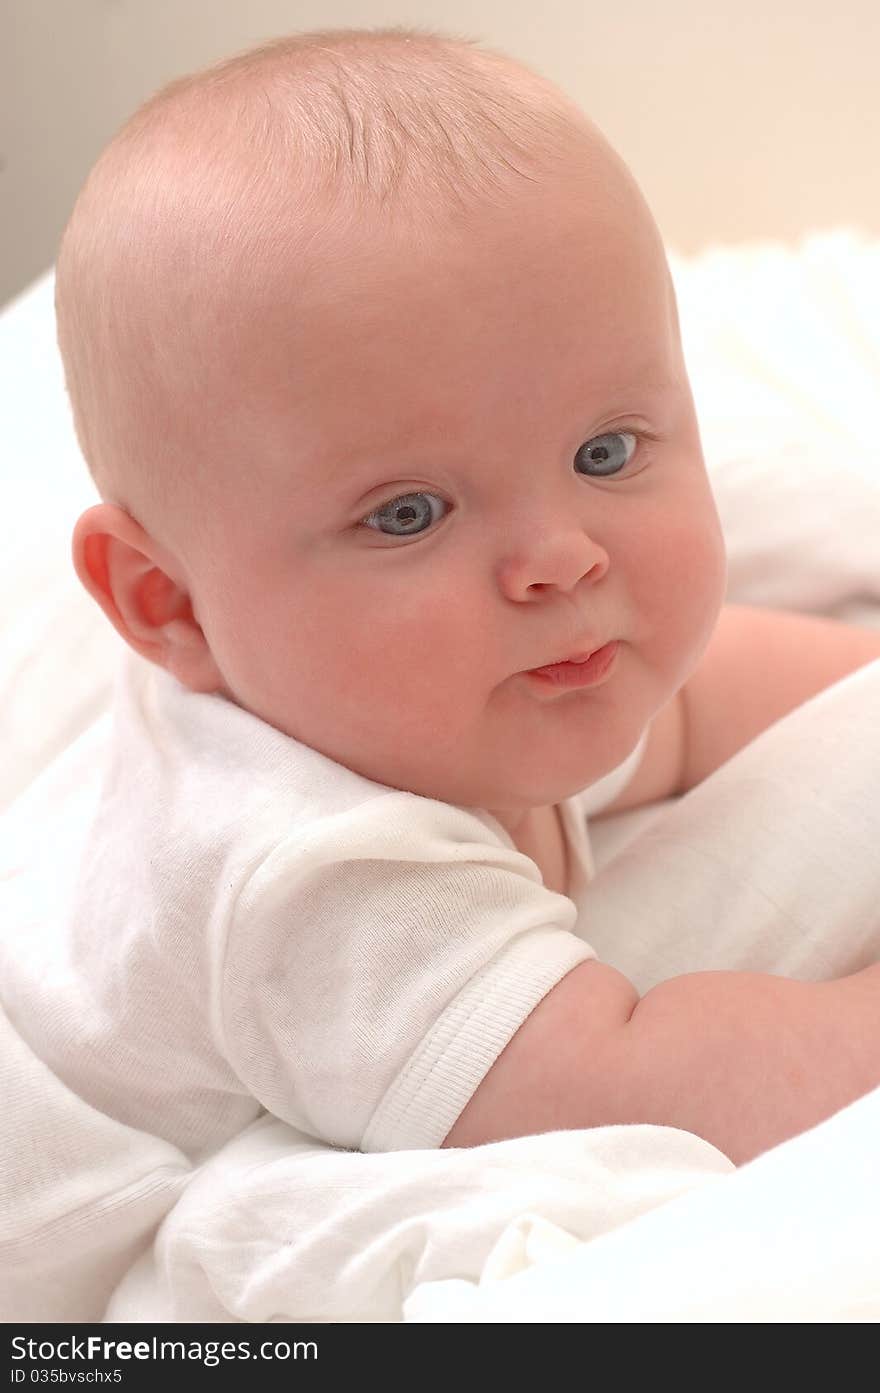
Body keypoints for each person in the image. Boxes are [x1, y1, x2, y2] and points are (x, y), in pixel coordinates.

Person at [5, 27, 880, 1170]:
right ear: (170, 603)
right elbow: (626, 1087)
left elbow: (686, 711)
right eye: (409, 514)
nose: (561, 558)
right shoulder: (306, 869)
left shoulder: (451, 687)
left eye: (606, 451)